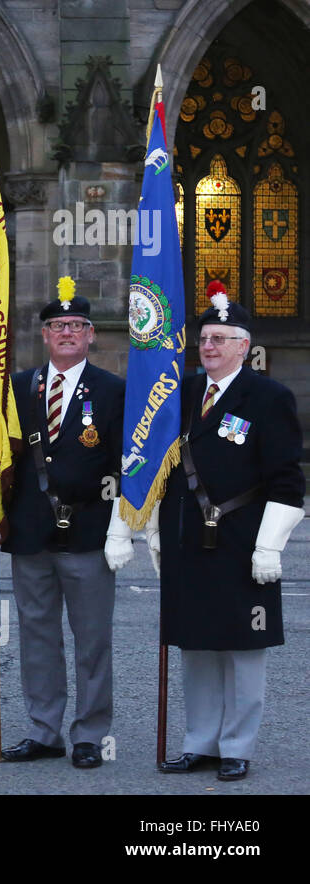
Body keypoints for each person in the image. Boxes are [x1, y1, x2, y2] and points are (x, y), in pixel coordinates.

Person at [153, 282, 304, 781]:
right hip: (188, 539)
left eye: (222, 338)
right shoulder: (180, 392)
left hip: (243, 541)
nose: (210, 346)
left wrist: (269, 547)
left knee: (242, 646)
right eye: (205, 338)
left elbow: (287, 480)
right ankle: (200, 742)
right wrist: (154, 531)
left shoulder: (269, 397)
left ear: (245, 346)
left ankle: (237, 745)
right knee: (196, 643)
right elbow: (162, 468)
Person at [0, 279, 130, 768]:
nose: (68, 333)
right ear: (45, 335)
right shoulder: (18, 387)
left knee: (92, 640)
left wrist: (122, 527)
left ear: (92, 335)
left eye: (77, 326)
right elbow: (2, 459)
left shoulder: (114, 391)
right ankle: (44, 729)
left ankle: (89, 735)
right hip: (31, 532)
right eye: (58, 326)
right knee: (37, 637)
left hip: (89, 532)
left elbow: (124, 465)